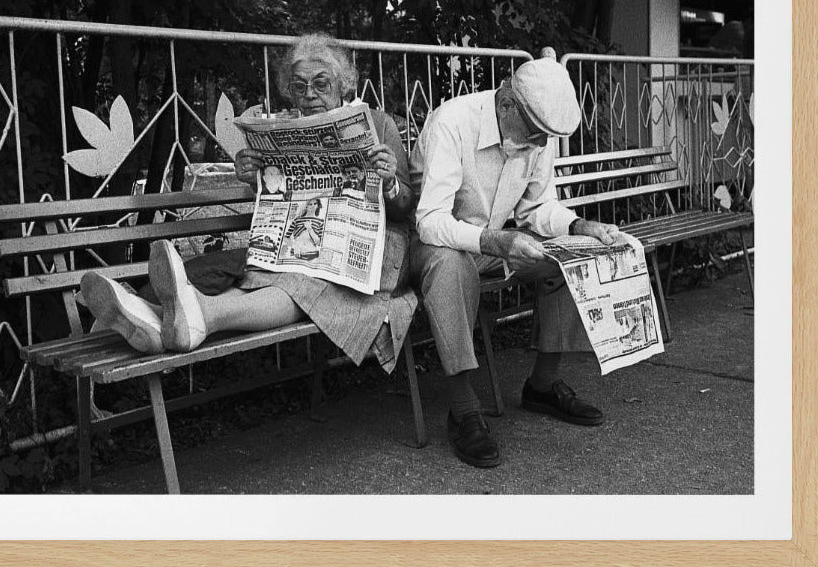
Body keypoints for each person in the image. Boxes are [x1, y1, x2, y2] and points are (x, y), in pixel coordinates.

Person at [81, 32, 417, 374]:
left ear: (344, 84)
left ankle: (193, 315)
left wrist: (389, 182)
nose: (310, 94)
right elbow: (280, 203)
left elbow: (406, 207)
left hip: (368, 254)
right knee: (271, 276)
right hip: (301, 249)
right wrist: (254, 177)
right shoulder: (285, 129)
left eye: (321, 83)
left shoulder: (377, 124)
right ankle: (156, 327)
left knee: (299, 283)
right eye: (299, 86)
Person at [409, 55, 621, 468]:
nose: (541, 145)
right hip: (434, 244)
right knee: (450, 265)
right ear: (507, 103)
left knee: (569, 257)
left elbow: (537, 208)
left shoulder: (533, 133)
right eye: (536, 134)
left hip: (493, 242)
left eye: (547, 138)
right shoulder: (453, 122)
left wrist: (579, 225)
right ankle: (463, 408)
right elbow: (430, 222)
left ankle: (542, 385)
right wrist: (495, 240)